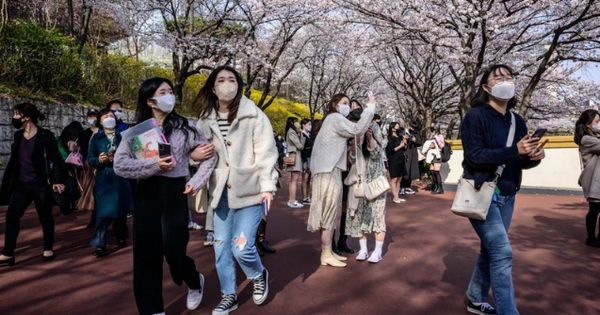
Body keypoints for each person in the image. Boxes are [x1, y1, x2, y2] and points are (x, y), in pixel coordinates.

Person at [113, 77, 217, 315]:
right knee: (146, 255)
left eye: (170, 91)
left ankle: (194, 280)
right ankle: (152, 310)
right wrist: (155, 165)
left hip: (174, 192)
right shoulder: (135, 132)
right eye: (163, 92)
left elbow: (210, 155)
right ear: (150, 100)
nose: (169, 96)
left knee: (174, 251)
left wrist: (196, 181)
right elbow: (120, 165)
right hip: (146, 193)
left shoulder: (185, 128)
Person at [192, 65, 278, 315]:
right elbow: (197, 152)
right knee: (221, 247)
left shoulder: (254, 115)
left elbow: (266, 153)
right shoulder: (205, 118)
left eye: (232, 79)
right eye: (221, 80)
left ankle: (258, 273)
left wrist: (268, 187)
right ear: (212, 86)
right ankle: (229, 295)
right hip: (220, 192)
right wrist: (194, 156)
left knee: (242, 246)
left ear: (239, 85)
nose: (227, 84)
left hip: (250, 190)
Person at [461, 64, 544, 315]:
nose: (505, 80)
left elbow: (519, 160)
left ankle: (475, 298)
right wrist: (514, 151)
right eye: (498, 77)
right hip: (482, 193)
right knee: (502, 253)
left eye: (509, 76)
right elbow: (474, 157)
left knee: (490, 250)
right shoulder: (475, 117)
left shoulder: (517, 120)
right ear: (486, 87)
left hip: (507, 194)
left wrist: (535, 157)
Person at [307, 93, 375, 268]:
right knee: (328, 215)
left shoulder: (331, 120)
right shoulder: (335, 118)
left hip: (328, 170)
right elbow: (357, 129)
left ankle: (328, 252)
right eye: (345, 103)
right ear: (334, 104)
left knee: (329, 215)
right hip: (329, 171)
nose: (348, 107)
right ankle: (326, 254)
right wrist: (370, 107)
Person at [0, 103, 68, 266]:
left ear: (27, 117)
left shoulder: (46, 136)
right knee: (11, 217)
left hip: (40, 185)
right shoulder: (18, 136)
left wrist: (57, 180)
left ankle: (47, 248)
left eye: (17, 114)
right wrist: (6, 185)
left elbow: (55, 158)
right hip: (21, 185)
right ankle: (8, 253)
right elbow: (14, 162)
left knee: (45, 217)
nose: (14, 118)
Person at [88, 108, 134, 257]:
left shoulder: (124, 136)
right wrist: (99, 160)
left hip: (121, 178)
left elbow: (135, 153)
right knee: (102, 213)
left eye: (111, 116)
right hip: (104, 179)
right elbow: (90, 158)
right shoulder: (96, 138)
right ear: (100, 121)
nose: (109, 118)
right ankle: (100, 243)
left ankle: (121, 236)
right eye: (106, 116)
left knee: (121, 210)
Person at [346, 118, 388, 263]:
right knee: (361, 218)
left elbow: (376, 152)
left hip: (376, 186)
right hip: (361, 185)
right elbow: (352, 160)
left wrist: (370, 137)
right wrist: (353, 146)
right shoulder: (357, 141)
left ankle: (377, 251)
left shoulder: (375, 130)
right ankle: (363, 250)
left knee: (378, 217)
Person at [574, 109, 600, 248]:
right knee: (595, 209)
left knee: (596, 209)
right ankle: (591, 238)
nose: (599, 124)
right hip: (594, 180)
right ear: (588, 124)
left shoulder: (594, 136)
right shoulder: (587, 139)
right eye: (597, 121)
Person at [56, 121, 85, 215]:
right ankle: (73, 204)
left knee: (62, 186)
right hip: (70, 165)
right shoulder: (77, 138)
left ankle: (64, 208)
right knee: (72, 184)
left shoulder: (58, 139)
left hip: (59, 165)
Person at [79, 108, 100, 226]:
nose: (92, 118)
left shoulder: (103, 132)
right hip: (87, 166)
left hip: (100, 164)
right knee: (90, 191)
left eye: (94, 116)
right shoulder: (84, 133)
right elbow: (81, 149)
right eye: (90, 116)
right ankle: (94, 216)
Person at [285, 117, 305, 208]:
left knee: (293, 180)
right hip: (295, 157)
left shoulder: (290, 131)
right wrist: (302, 136)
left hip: (293, 156)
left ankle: (291, 200)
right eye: (296, 122)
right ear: (292, 122)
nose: (297, 124)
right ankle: (292, 200)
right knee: (294, 180)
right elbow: (300, 146)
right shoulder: (292, 132)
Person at [386, 122, 407, 203]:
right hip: (394, 159)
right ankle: (395, 197)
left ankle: (397, 196)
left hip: (401, 158)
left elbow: (404, 148)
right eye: (397, 127)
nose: (398, 128)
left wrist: (404, 143)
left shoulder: (400, 137)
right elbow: (391, 150)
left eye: (399, 126)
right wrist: (400, 146)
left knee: (399, 179)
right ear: (393, 128)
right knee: (394, 178)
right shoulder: (390, 138)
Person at [422, 123, 444, 194]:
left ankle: (440, 188)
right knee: (432, 171)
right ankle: (435, 186)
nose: (432, 128)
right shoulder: (431, 135)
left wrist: (436, 137)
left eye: (433, 127)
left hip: (437, 154)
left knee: (436, 172)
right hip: (431, 155)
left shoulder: (440, 136)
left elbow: (442, 145)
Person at [400, 122, 421, 195]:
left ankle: (408, 186)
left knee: (412, 170)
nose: (412, 129)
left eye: (414, 128)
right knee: (405, 169)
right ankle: (402, 187)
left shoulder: (415, 134)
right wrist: (404, 138)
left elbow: (419, 142)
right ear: (409, 126)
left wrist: (414, 140)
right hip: (405, 153)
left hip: (413, 153)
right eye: (411, 127)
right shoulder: (402, 132)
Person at [300, 118, 313, 204]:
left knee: (308, 179)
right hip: (305, 157)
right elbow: (302, 148)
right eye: (308, 124)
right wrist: (304, 161)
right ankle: (304, 197)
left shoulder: (308, 134)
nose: (310, 126)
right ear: (303, 125)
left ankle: (308, 196)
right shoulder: (302, 135)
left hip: (310, 157)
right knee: (305, 178)